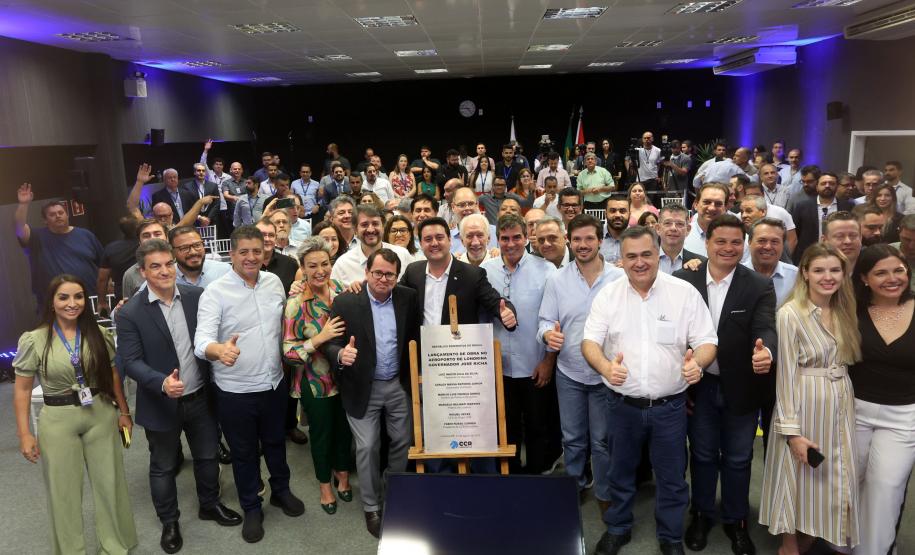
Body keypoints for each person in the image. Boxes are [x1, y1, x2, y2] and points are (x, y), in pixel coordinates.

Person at [583, 226, 718, 555]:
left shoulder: (683, 293)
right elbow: (589, 342)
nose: (639, 262)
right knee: (620, 470)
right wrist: (604, 367)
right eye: (631, 256)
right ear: (621, 259)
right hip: (621, 405)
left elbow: (707, 342)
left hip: (670, 407)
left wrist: (697, 364)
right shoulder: (608, 295)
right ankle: (618, 527)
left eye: (646, 254)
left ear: (658, 254)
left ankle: (671, 537)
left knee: (672, 477)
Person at [117, 240, 242, 553]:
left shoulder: (197, 297)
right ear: (142, 272)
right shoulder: (130, 313)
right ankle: (170, 521)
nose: (164, 271)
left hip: (200, 397)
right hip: (161, 401)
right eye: (155, 266)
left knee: (207, 456)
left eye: (168, 263)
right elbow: (130, 361)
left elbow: (208, 339)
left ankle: (209, 504)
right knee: (162, 466)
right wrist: (161, 383)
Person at [673, 215, 777, 555]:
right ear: (706, 242)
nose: (729, 248)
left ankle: (736, 520)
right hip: (699, 387)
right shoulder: (683, 279)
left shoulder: (758, 285)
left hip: (742, 388)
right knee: (701, 455)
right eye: (721, 241)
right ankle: (702, 514)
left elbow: (765, 327)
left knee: (738, 458)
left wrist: (767, 351)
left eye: (736, 242)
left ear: (743, 245)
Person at [194, 226, 305, 543]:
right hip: (235, 391)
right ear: (232, 253)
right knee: (243, 454)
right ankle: (252, 508)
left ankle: (281, 492)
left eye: (257, 251)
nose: (251, 257)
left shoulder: (273, 284)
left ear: (264, 251)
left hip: (274, 384)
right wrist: (219, 350)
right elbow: (201, 341)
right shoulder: (215, 292)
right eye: (244, 251)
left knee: (275, 444)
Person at [12, 274, 137, 554]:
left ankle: (114, 546)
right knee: (63, 493)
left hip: (100, 413)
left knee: (110, 484)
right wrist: (24, 434)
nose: (72, 303)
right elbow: (21, 391)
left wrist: (124, 411)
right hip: (57, 419)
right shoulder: (34, 340)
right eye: (64, 297)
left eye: (78, 296)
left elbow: (114, 376)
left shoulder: (99, 334)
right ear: (52, 302)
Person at [759, 243, 862, 554]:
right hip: (803, 405)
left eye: (834, 270)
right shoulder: (791, 314)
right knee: (794, 477)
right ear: (804, 273)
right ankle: (788, 545)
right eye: (819, 270)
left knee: (833, 470)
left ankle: (816, 533)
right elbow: (786, 375)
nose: (827, 277)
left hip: (839, 403)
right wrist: (791, 433)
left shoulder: (844, 310)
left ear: (844, 275)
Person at [323, 248, 420, 537]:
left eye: (389, 274)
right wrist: (341, 354)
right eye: (377, 272)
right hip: (362, 386)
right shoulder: (346, 302)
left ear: (397, 276)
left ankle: (394, 496)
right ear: (366, 273)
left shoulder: (408, 298)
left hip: (397, 384)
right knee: (366, 447)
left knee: (403, 442)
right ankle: (371, 506)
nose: (383, 279)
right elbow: (330, 344)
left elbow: (414, 336)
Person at [539, 214, 624, 517]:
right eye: (577, 239)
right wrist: (548, 333)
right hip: (570, 373)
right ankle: (575, 483)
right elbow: (546, 320)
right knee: (573, 438)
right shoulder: (556, 279)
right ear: (568, 241)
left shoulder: (619, 278)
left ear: (600, 241)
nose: (583, 245)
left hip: (605, 376)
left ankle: (604, 490)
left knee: (602, 441)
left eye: (589, 239)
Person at [482, 214, 560, 474]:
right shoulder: (485, 271)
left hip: (535, 363)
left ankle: (539, 473)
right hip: (499, 367)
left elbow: (552, 320)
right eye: (505, 239)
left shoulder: (546, 270)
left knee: (538, 424)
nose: (511, 243)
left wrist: (548, 361)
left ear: (527, 238)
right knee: (507, 425)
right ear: (498, 240)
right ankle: (511, 474)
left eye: (516, 237)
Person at [282, 237, 354, 515]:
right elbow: (287, 353)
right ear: (302, 268)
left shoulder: (340, 290)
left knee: (344, 431)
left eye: (325, 264)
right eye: (312, 266)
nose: (320, 270)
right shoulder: (296, 304)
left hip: (345, 378)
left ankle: (343, 475)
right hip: (314, 382)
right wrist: (318, 340)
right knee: (322, 436)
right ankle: (325, 486)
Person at [847, 246, 911, 553]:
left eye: (898, 270)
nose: (892, 278)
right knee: (851, 483)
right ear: (864, 278)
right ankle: (843, 546)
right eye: (881, 273)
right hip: (854, 411)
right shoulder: (850, 311)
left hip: (904, 416)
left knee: (886, 488)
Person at [15, 183, 105, 306]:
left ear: (67, 215)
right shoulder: (37, 237)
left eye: (60, 212)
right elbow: (19, 228)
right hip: (55, 303)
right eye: (52, 214)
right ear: (45, 221)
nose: (57, 216)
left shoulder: (85, 235)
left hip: (90, 299)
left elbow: (104, 264)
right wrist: (23, 204)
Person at [331, 204, 413, 284]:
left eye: (375, 224)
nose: (370, 229)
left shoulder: (402, 255)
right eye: (364, 225)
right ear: (355, 230)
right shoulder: (343, 264)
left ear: (383, 227)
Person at [790, 172, 855, 264]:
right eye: (823, 183)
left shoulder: (848, 207)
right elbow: (795, 234)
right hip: (808, 255)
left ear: (837, 186)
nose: (827, 186)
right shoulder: (802, 206)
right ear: (817, 187)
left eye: (831, 183)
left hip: (838, 254)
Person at [743, 218, 799, 307]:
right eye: (762, 241)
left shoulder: (796, 277)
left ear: (783, 245)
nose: (768, 247)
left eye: (775, 242)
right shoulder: (735, 275)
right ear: (749, 242)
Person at [96, 216, 139, 313]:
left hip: (122, 297)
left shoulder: (111, 248)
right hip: (145, 292)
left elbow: (102, 279)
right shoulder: (146, 245)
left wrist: (102, 302)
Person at [657, 203, 705, 274]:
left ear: (688, 229)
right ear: (658, 228)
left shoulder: (701, 264)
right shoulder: (644, 260)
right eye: (667, 223)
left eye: (679, 224)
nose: (673, 228)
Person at [600, 194, 630, 264]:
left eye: (622, 211)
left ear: (629, 214)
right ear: (605, 214)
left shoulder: (638, 238)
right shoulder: (595, 236)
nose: (617, 215)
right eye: (613, 211)